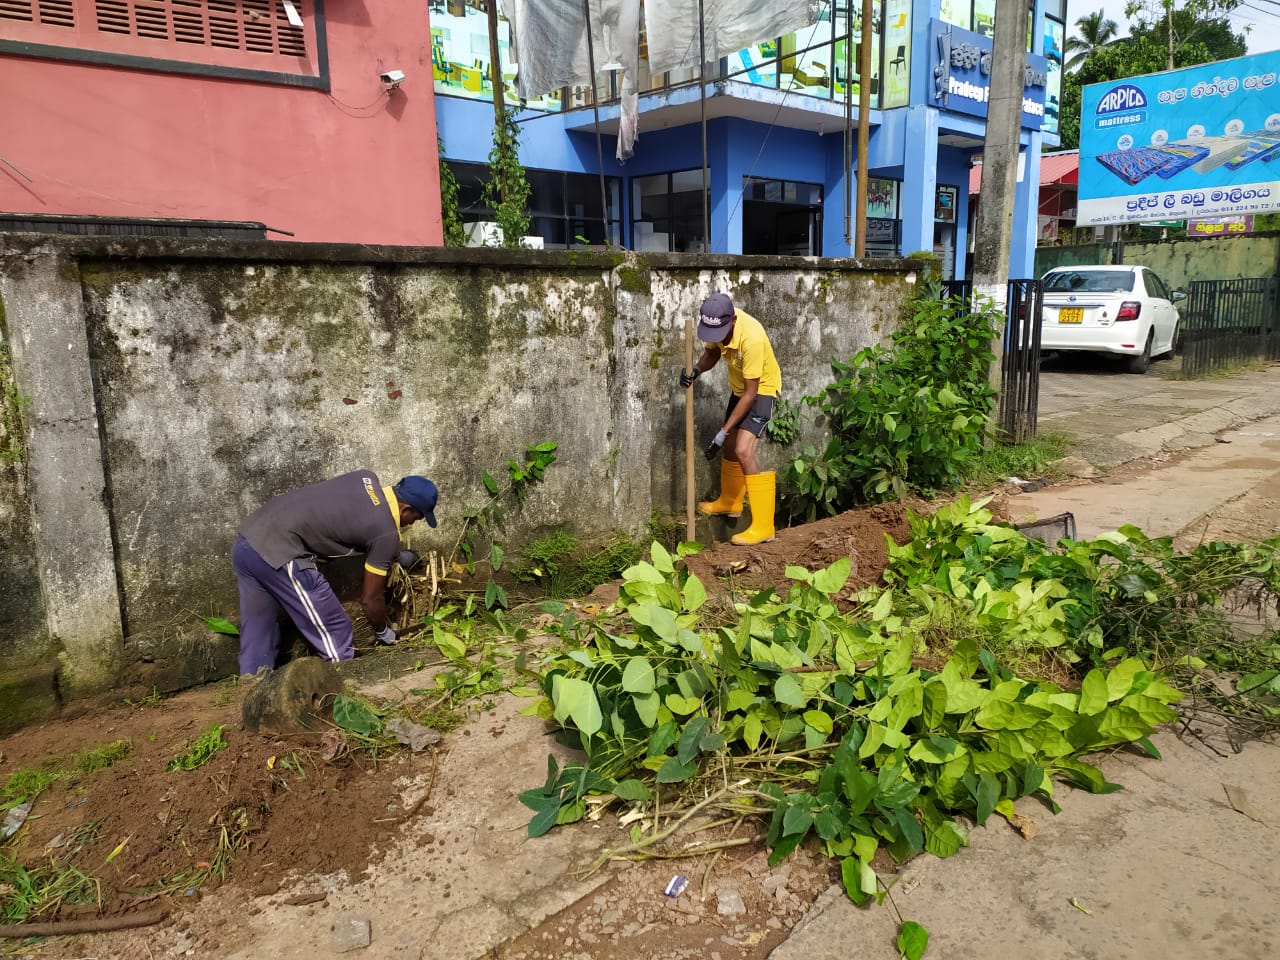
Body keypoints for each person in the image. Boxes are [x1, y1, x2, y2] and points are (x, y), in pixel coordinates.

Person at [232, 469, 439, 675]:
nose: (412, 523)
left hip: (248, 541)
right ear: (405, 510)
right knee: (336, 632)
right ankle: (342, 692)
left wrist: (395, 555)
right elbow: (370, 598)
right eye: (417, 518)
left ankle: (251, 690)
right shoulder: (385, 534)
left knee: (259, 632)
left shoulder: (365, 478)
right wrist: (383, 631)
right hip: (281, 552)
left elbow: (353, 521)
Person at [680, 292, 782, 545]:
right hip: (741, 391)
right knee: (728, 446)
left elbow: (751, 394)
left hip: (761, 391)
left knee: (742, 449)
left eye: (722, 332)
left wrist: (724, 429)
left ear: (733, 321)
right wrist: (695, 371)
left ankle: (764, 526)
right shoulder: (719, 323)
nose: (718, 338)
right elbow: (713, 354)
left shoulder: (752, 339)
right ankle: (730, 501)